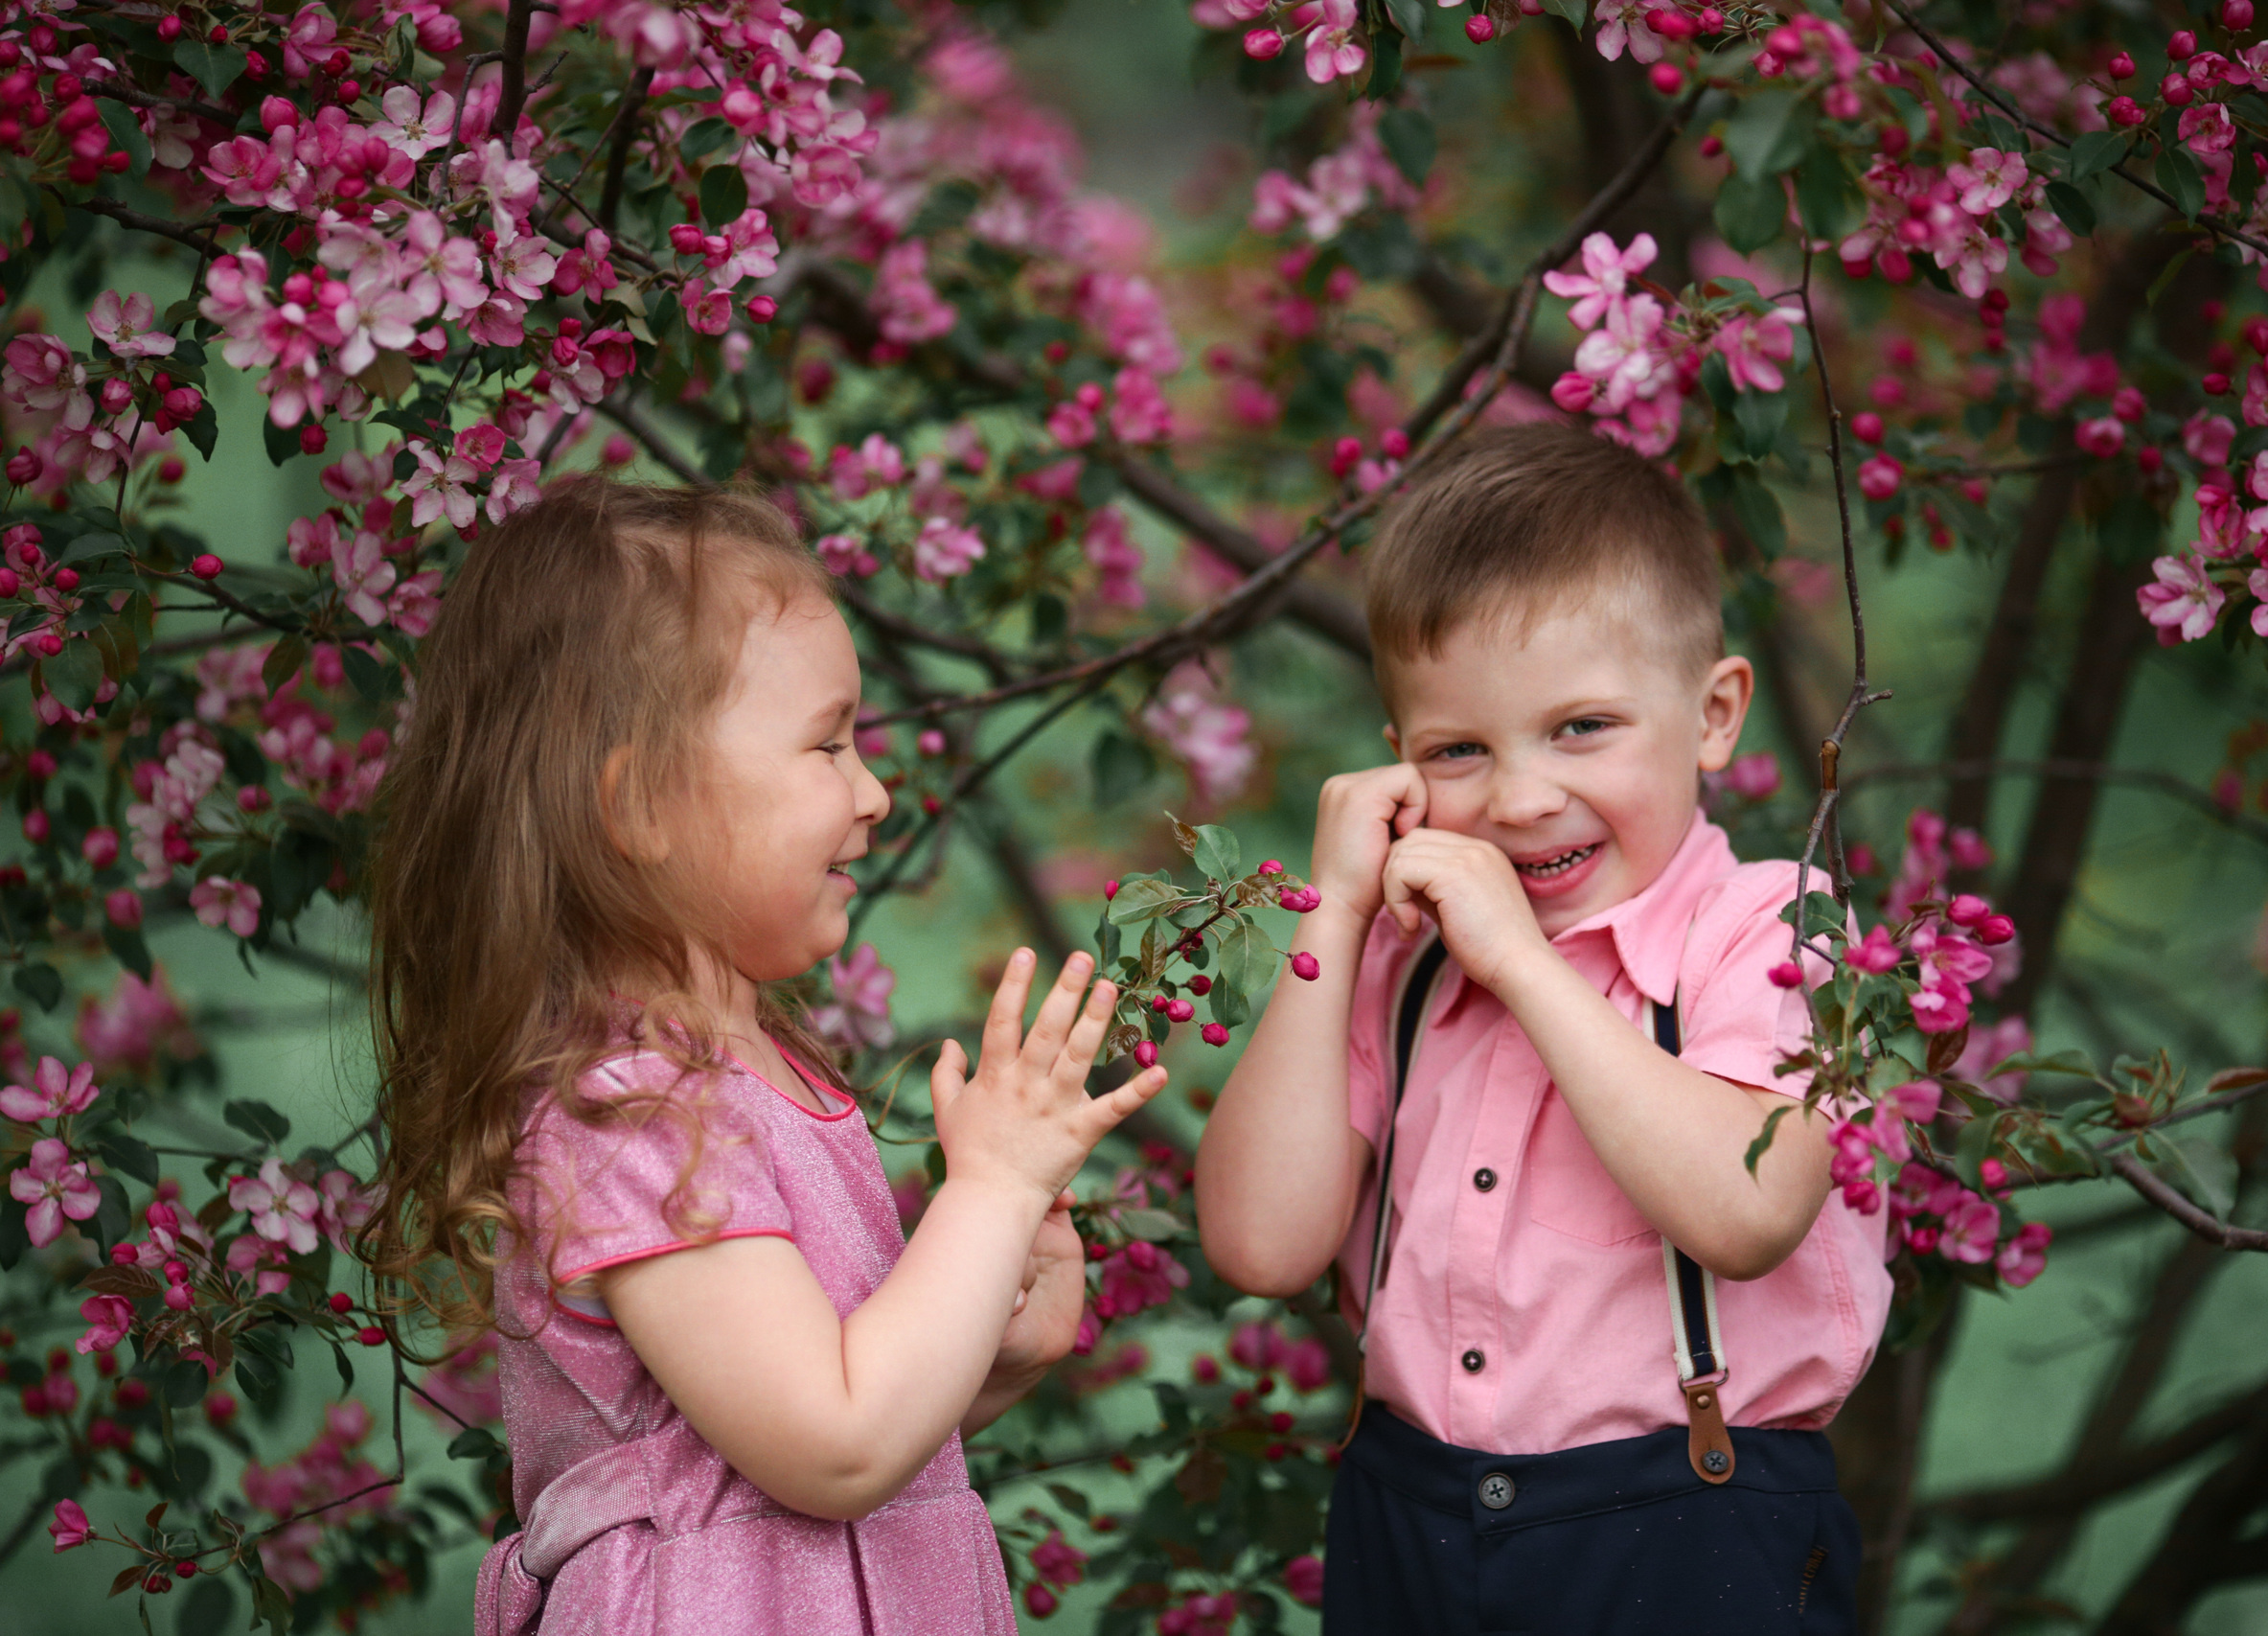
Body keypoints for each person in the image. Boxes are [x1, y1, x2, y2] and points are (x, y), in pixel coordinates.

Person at [359, 478, 1165, 1634]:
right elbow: (830, 1448)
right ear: (638, 806)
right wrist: (987, 1193)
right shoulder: (627, 1107)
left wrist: (989, 1360)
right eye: (827, 745)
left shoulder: (751, 1075)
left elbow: (783, 1444)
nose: (876, 792)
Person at [1196, 422, 1887, 1634]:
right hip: (1408, 1521)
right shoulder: (1402, 965)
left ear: (1715, 713)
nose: (1520, 798)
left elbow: (1747, 1210)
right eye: (1459, 750)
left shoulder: (1769, 925)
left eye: (1582, 728)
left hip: (1686, 1537)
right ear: (1400, 768)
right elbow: (1260, 1244)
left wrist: (1519, 962)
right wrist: (1339, 912)